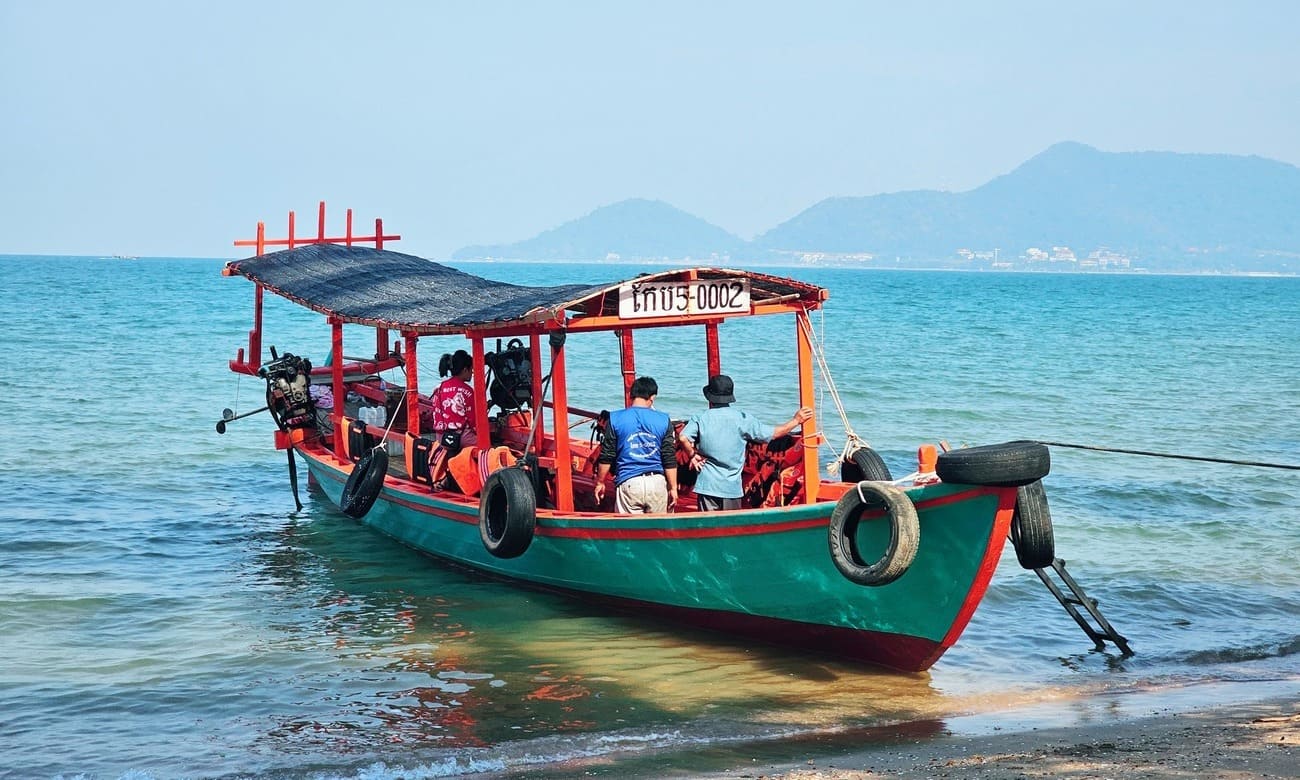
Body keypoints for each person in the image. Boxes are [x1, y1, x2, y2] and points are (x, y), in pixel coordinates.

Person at [678, 374, 813, 511]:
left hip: (707, 485)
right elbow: (773, 434)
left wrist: (692, 455)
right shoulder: (743, 419)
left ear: (709, 397)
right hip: (731, 487)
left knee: (709, 524)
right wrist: (796, 420)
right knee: (731, 523)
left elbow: (683, 438)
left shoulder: (700, 418)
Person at [593, 376, 679, 513]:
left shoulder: (615, 418)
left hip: (629, 482)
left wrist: (600, 482)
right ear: (652, 398)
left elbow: (607, 455)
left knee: (629, 527)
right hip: (657, 483)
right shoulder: (664, 419)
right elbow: (669, 456)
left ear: (631, 395)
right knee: (658, 526)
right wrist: (673, 488)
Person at [423, 349, 478, 446]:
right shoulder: (467, 391)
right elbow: (473, 420)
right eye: (471, 370)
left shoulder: (439, 388)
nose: (472, 373)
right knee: (487, 446)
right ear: (465, 370)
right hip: (460, 438)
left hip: (441, 437)